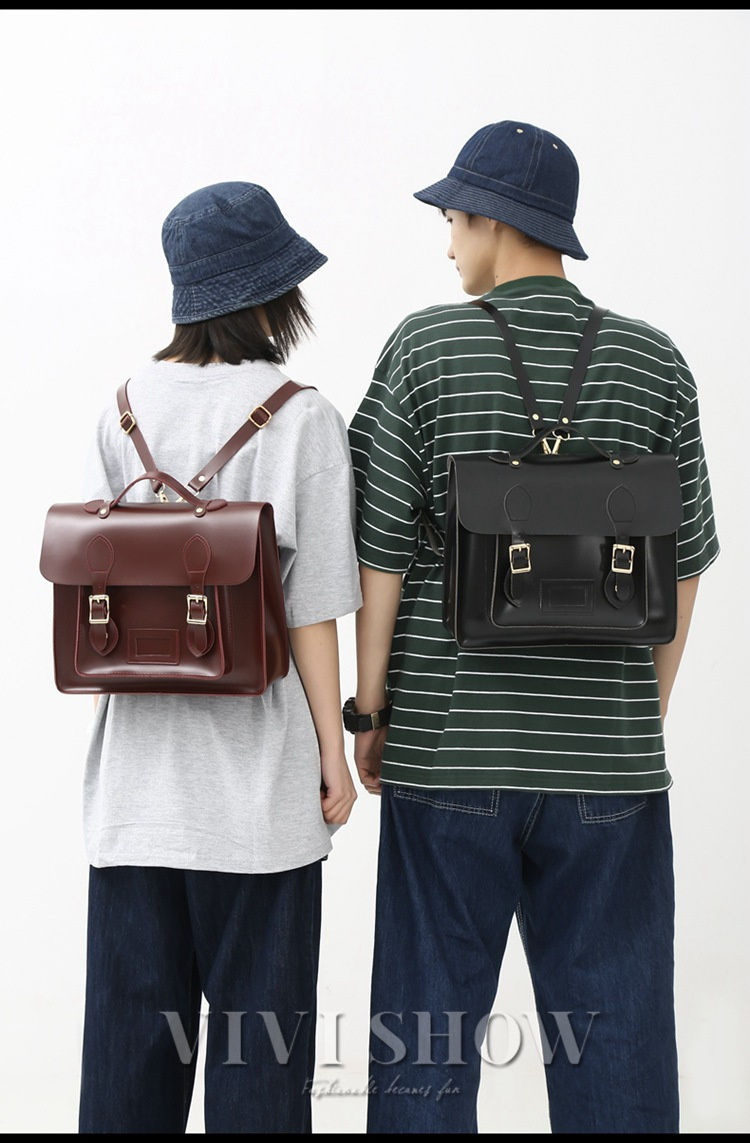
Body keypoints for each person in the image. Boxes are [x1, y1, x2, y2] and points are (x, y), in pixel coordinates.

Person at [347, 120, 720, 1133]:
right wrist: (638, 717)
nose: (446, 241)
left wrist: (370, 713)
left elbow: (379, 551)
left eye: (452, 218)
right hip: (612, 770)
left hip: (447, 752)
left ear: (494, 219)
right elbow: (687, 561)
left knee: (425, 1042)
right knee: (618, 1043)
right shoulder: (655, 360)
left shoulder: (425, 347)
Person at [77, 181, 362, 1133]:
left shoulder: (123, 406)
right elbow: (314, 608)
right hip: (258, 803)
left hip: (133, 797)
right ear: (273, 294)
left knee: (126, 1088)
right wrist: (333, 753)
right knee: (259, 1087)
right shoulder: (303, 417)